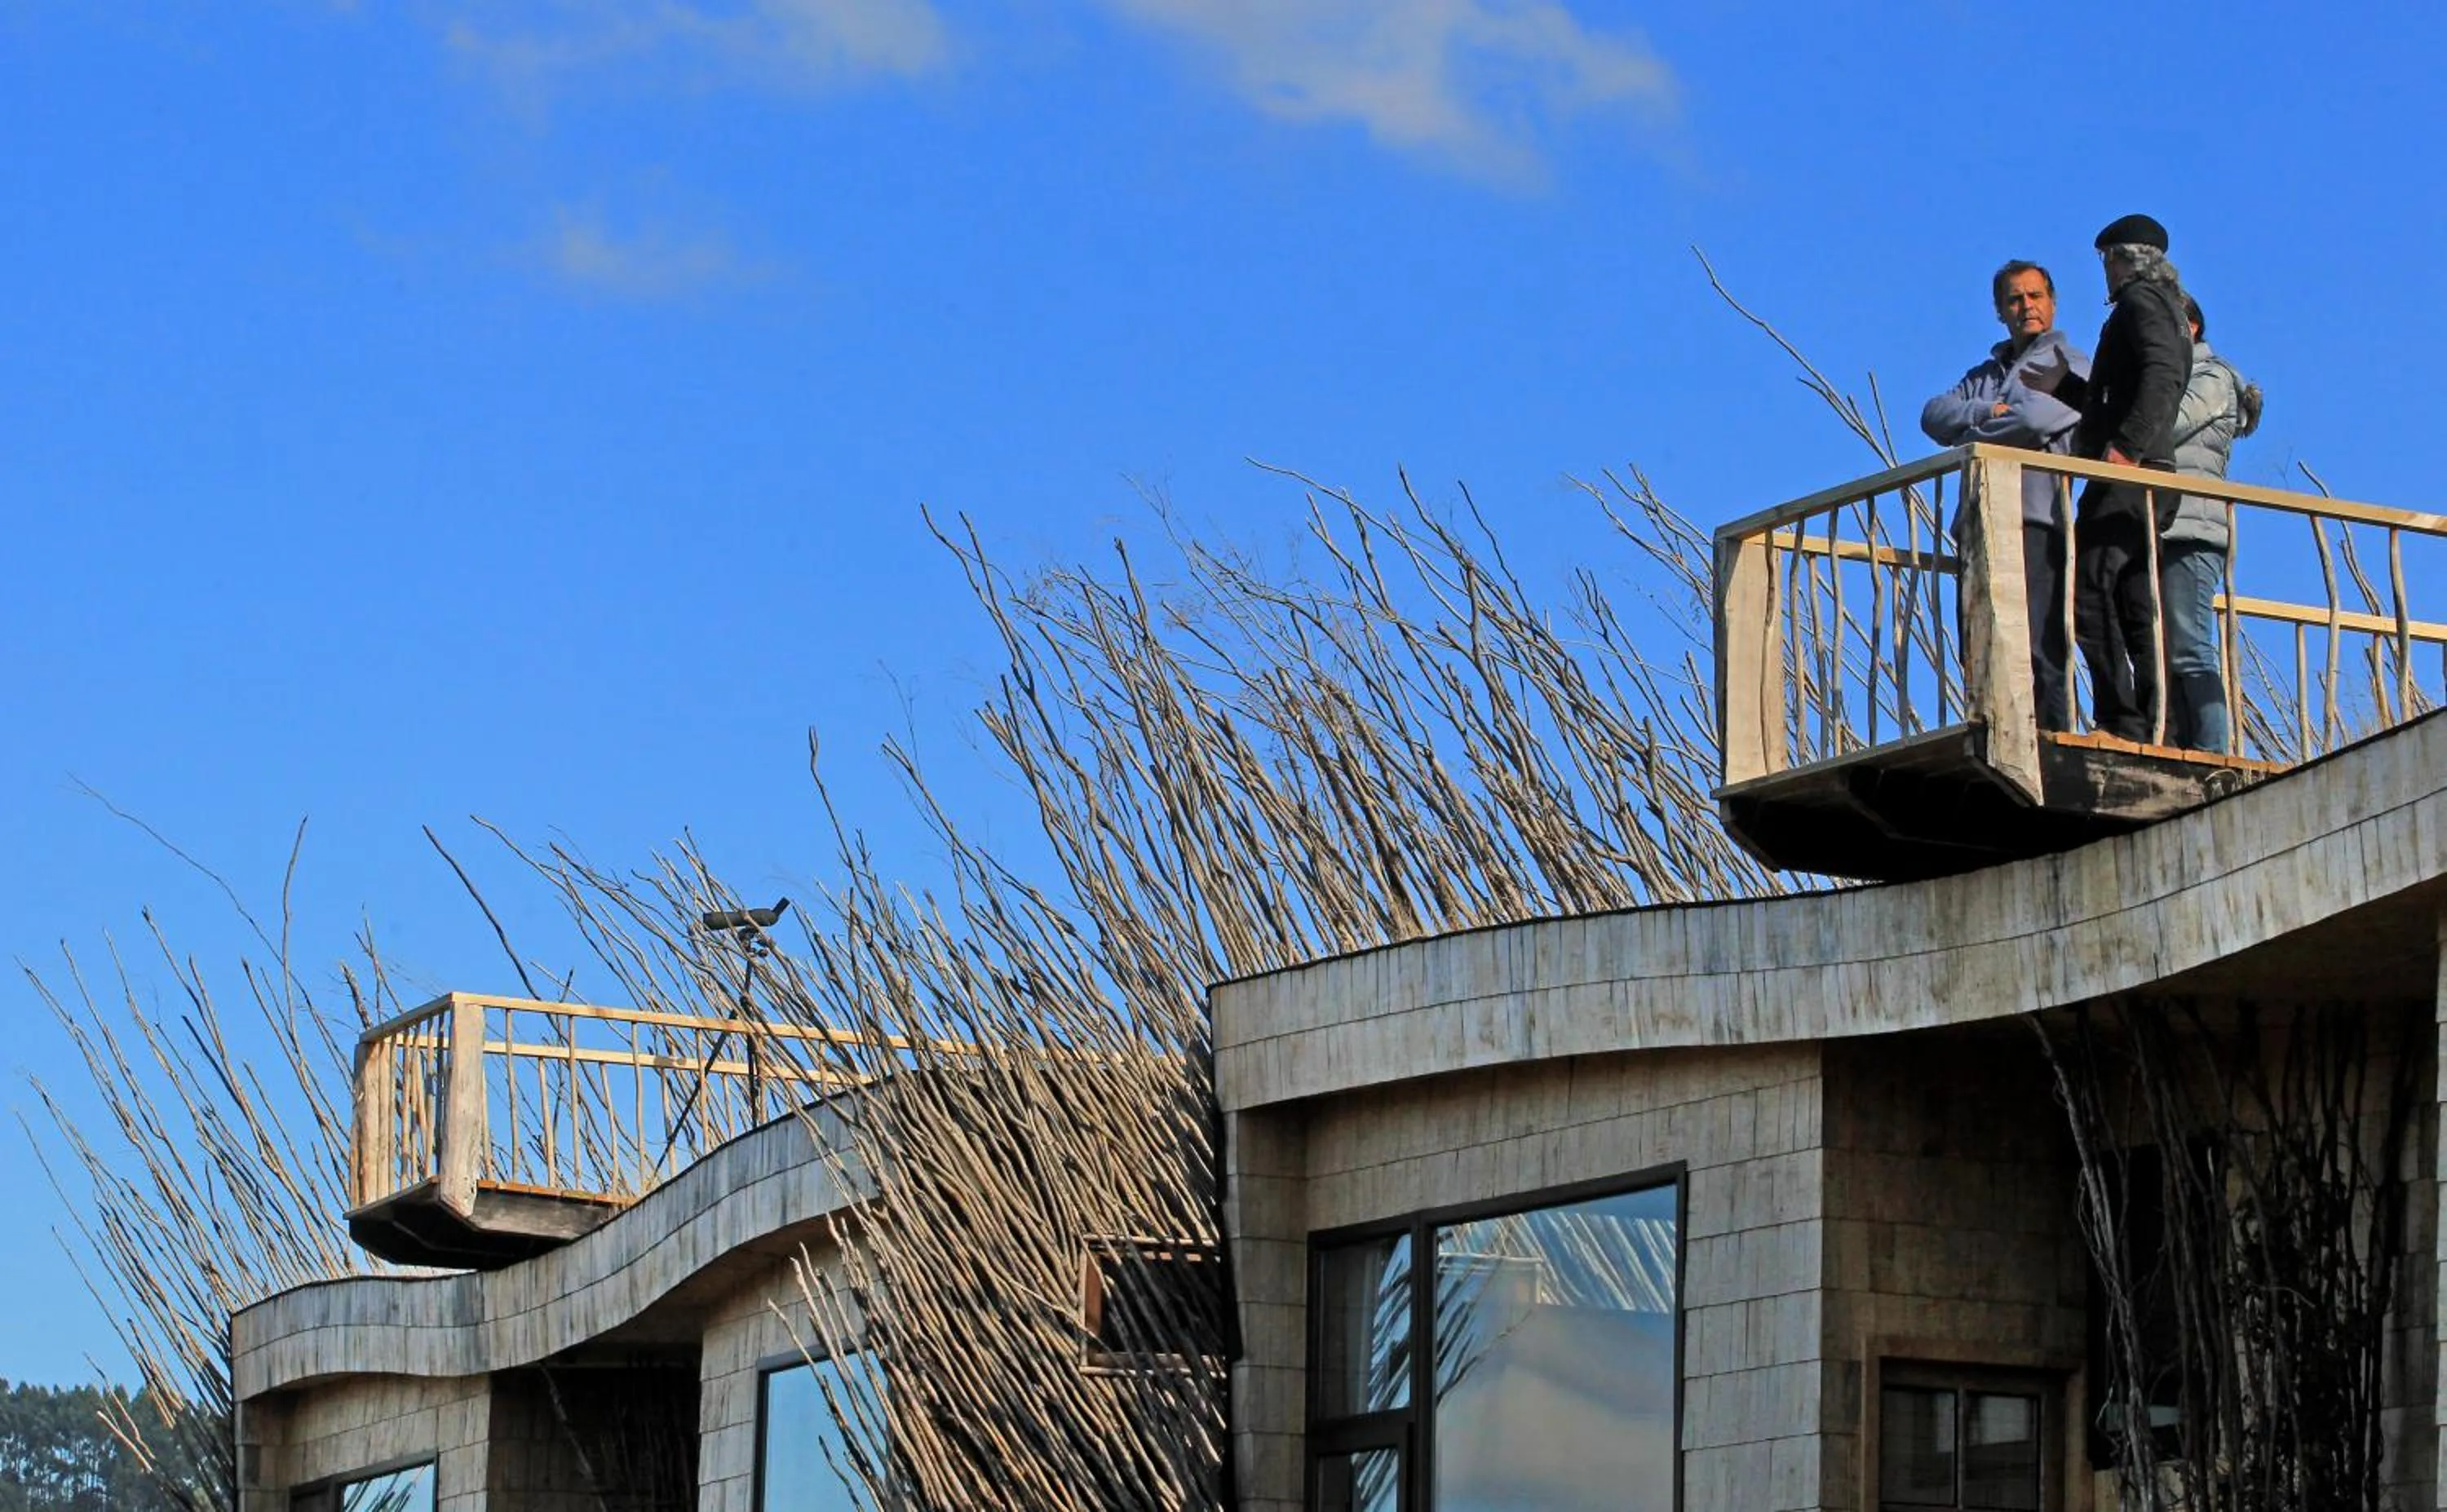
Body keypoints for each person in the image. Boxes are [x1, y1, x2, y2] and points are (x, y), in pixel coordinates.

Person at [1920, 260, 2091, 728]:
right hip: (1980, 518)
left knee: (2039, 639)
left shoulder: (2070, 365)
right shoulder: (1985, 373)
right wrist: (1991, 409)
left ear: (2052, 303)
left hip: (2037, 516)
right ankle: (1992, 728)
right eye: (2015, 299)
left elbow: (2038, 420)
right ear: (2000, 310)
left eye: (2035, 296)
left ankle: (2051, 736)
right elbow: (1934, 415)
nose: (2026, 307)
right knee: (1978, 636)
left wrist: (1973, 432)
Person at [2069, 214, 2193, 743]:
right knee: (2135, 597)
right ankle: (2157, 718)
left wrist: (2123, 448)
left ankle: (2121, 718)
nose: (2106, 271)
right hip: (2151, 474)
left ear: (2123, 259)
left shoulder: (2140, 302)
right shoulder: (2165, 306)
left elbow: (2162, 375)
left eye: (2108, 260)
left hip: (2132, 474)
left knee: (2091, 589)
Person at [2159, 295, 2263, 754]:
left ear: (2193, 327)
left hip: (2192, 526)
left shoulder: (2213, 377)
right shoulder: (2174, 379)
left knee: (2190, 646)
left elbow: (2167, 425)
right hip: (2159, 524)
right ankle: (2177, 744)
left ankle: (2211, 751)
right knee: (2162, 650)